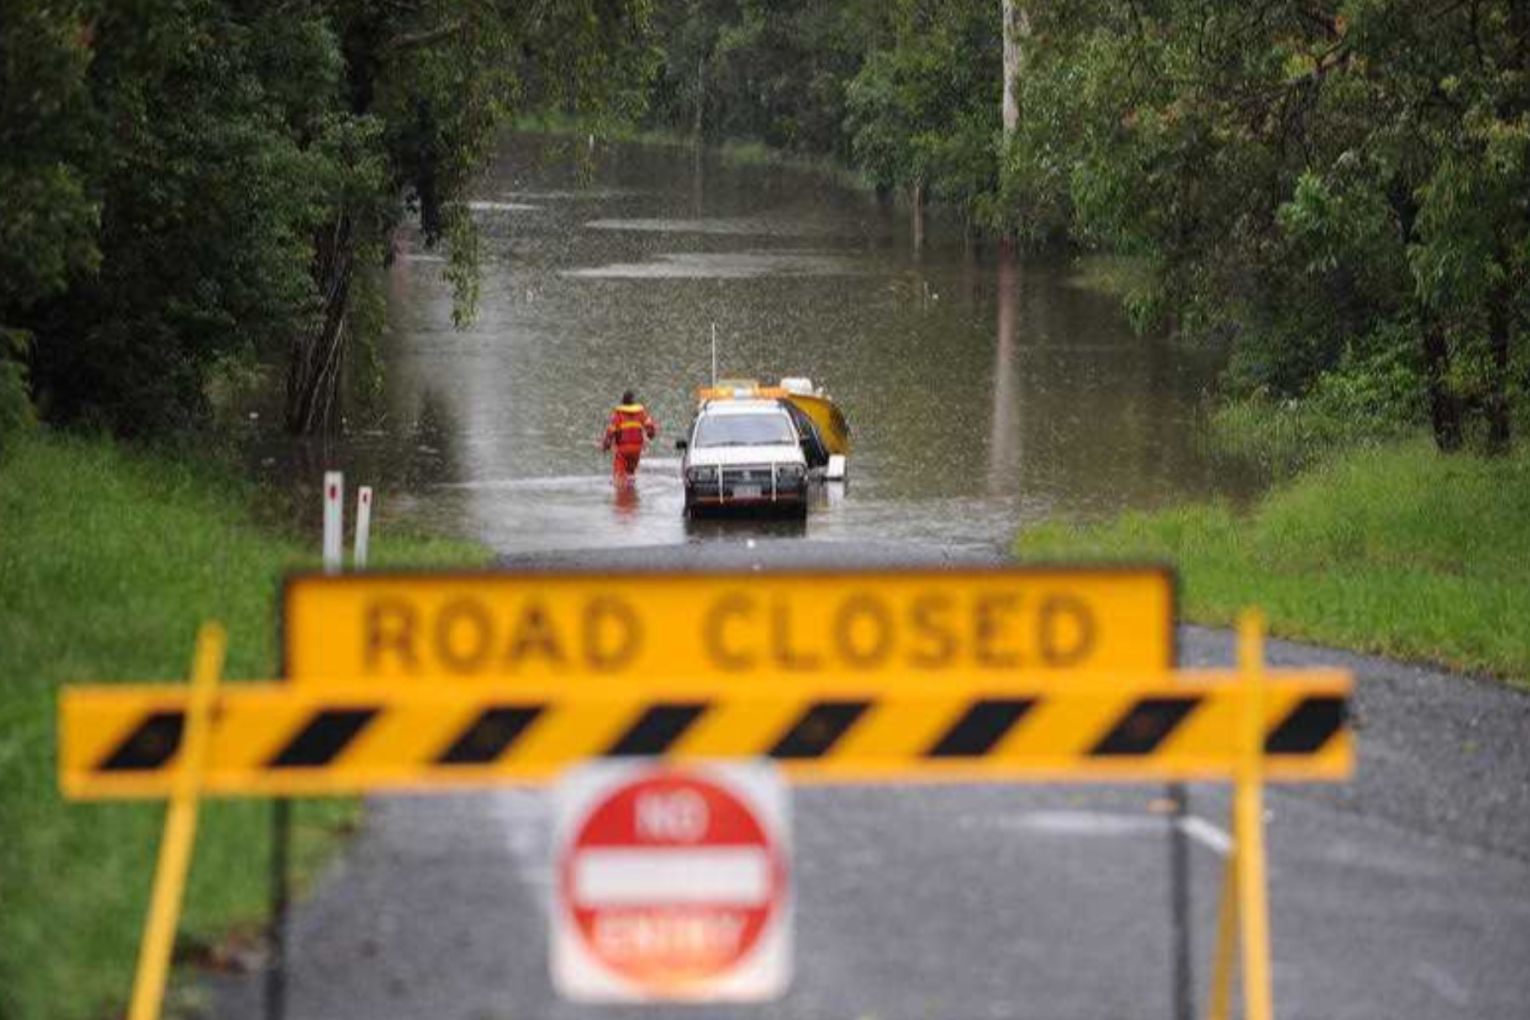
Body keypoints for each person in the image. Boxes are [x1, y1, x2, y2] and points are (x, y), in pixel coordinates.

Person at [602, 390, 658, 483]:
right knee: (631, 474)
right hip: (637, 449)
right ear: (633, 402)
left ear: (622, 402)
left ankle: (622, 494)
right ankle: (632, 493)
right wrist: (651, 435)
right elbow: (650, 428)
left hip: (622, 450)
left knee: (619, 477)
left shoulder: (618, 414)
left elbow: (611, 431)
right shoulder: (641, 413)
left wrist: (606, 445)